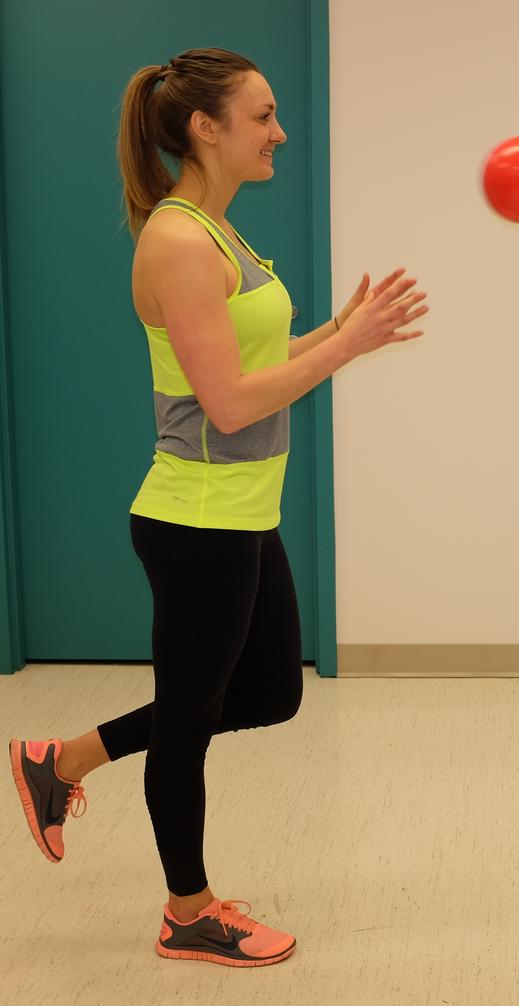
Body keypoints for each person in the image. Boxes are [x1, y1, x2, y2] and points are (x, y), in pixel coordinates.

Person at [8, 47, 428, 967]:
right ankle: (187, 910)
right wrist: (345, 346)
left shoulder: (219, 230)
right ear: (207, 128)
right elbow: (230, 403)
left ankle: (62, 761)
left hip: (239, 512)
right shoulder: (177, 240)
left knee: (270, 692)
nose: (279, 131)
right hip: (194, 518)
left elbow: (247, 369)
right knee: (192, 721)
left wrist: (344, 334)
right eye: (264, 115)